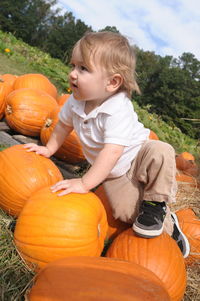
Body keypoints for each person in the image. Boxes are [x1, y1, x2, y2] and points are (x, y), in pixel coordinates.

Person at [24, 31, 190, 258]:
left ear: (112, 82)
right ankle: (159, 215)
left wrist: (84, 183)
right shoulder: (75, 102)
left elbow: (112, 151)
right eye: (73, 65)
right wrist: (49, 148)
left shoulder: (116, 109)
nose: (73, 74)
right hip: (114, 173)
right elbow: (63, 126)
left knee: (162, 151)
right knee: (124, 213)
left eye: (83, 69)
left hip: (138, 154)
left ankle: (162, 214)